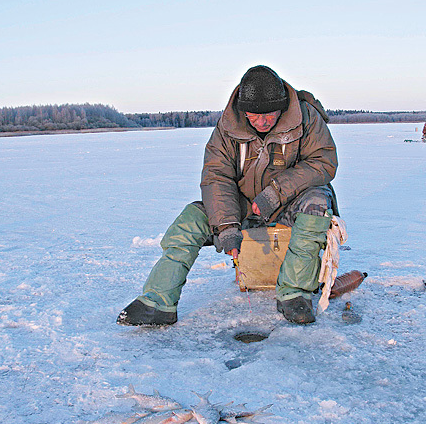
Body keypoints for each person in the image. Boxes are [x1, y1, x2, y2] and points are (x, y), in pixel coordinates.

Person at [117, 65, 338, 327]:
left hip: (291, 200)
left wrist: (276, 193)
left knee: (317, 205)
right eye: (254, 116)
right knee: (191, 219)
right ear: (243, 110)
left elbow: (323, 162)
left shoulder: (306, 117)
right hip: (243, 203)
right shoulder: (227, 127)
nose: (262, 122)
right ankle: (157, 303)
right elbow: (216, 177)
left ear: (281, 106)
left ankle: (295, 294)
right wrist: (227, 225)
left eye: (269, 115)